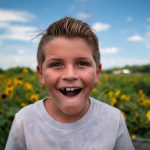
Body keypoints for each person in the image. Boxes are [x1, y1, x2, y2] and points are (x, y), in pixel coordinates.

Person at [5, 17, 134, 150]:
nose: (70, 75)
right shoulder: (25, 120)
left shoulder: (113, 119)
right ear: (41, 74)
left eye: (82, 63)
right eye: (56, 64)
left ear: (97, 72)